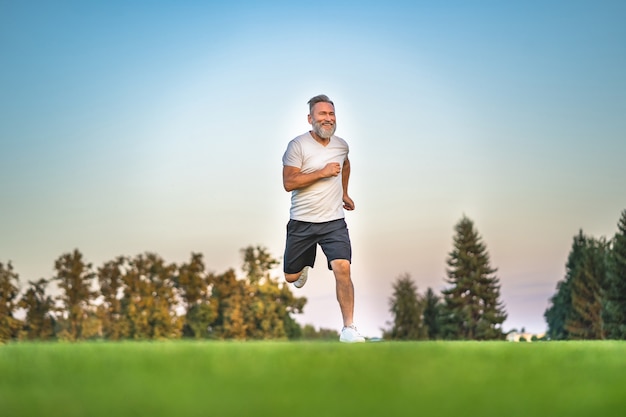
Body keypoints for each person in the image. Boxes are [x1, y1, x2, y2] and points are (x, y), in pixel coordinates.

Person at [282, 94, 365, 343]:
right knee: (291, 277)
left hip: (333, 222)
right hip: (302, 221)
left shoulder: (342, 145)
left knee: (343, 268)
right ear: (310, 119)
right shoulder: (297, 146)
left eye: (331, 114)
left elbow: (345, 164)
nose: (328, 119)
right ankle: (302, 267)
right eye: (322, 114)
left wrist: (345, 192)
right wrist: (322, 173)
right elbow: (288, 182)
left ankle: (349, 329)